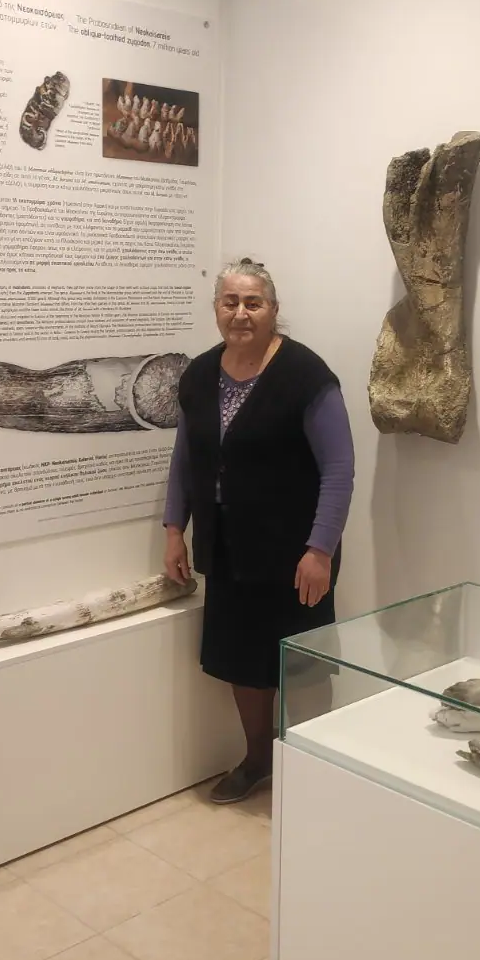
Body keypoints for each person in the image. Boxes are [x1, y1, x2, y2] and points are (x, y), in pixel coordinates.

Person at [163, 259, 354, 803]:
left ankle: (311, 768)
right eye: (231, 302)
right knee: (241, 660)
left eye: (254, 303)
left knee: (300, 659)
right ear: (216, 308)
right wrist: (174, 529)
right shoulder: (200, 375)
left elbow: (338, 469)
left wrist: (320, 549)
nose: (241, 313)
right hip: (227, 546)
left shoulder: (305, 375)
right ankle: (258, 760)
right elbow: (185, 459)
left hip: (295, 549)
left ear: (273, 309)